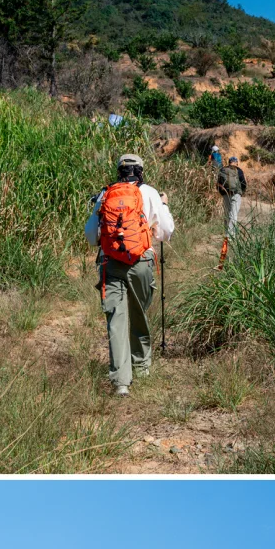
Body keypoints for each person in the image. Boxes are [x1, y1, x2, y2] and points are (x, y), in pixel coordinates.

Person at [85, 153, 174, 396]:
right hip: (142, 261)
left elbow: (92, 236)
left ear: (119, 172)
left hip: (111, 263)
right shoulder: (151, 193)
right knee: (139, 312)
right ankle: (142, 367)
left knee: (116, 320)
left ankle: (121, 383)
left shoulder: (106, 195)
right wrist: (163, 205)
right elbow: (166, 232)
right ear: (141, 171)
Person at [217, 156, 247, 243]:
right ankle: (229, 236)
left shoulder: (223, 170)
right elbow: (243, 183)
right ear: (236, 162)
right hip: (236, 194)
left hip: (226, 194)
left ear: (229, 162)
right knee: (233, 215)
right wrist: (241, 192)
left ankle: (226, 233)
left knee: (227, 214)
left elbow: (218, 184)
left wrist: (222, 193)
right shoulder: (239, 170)